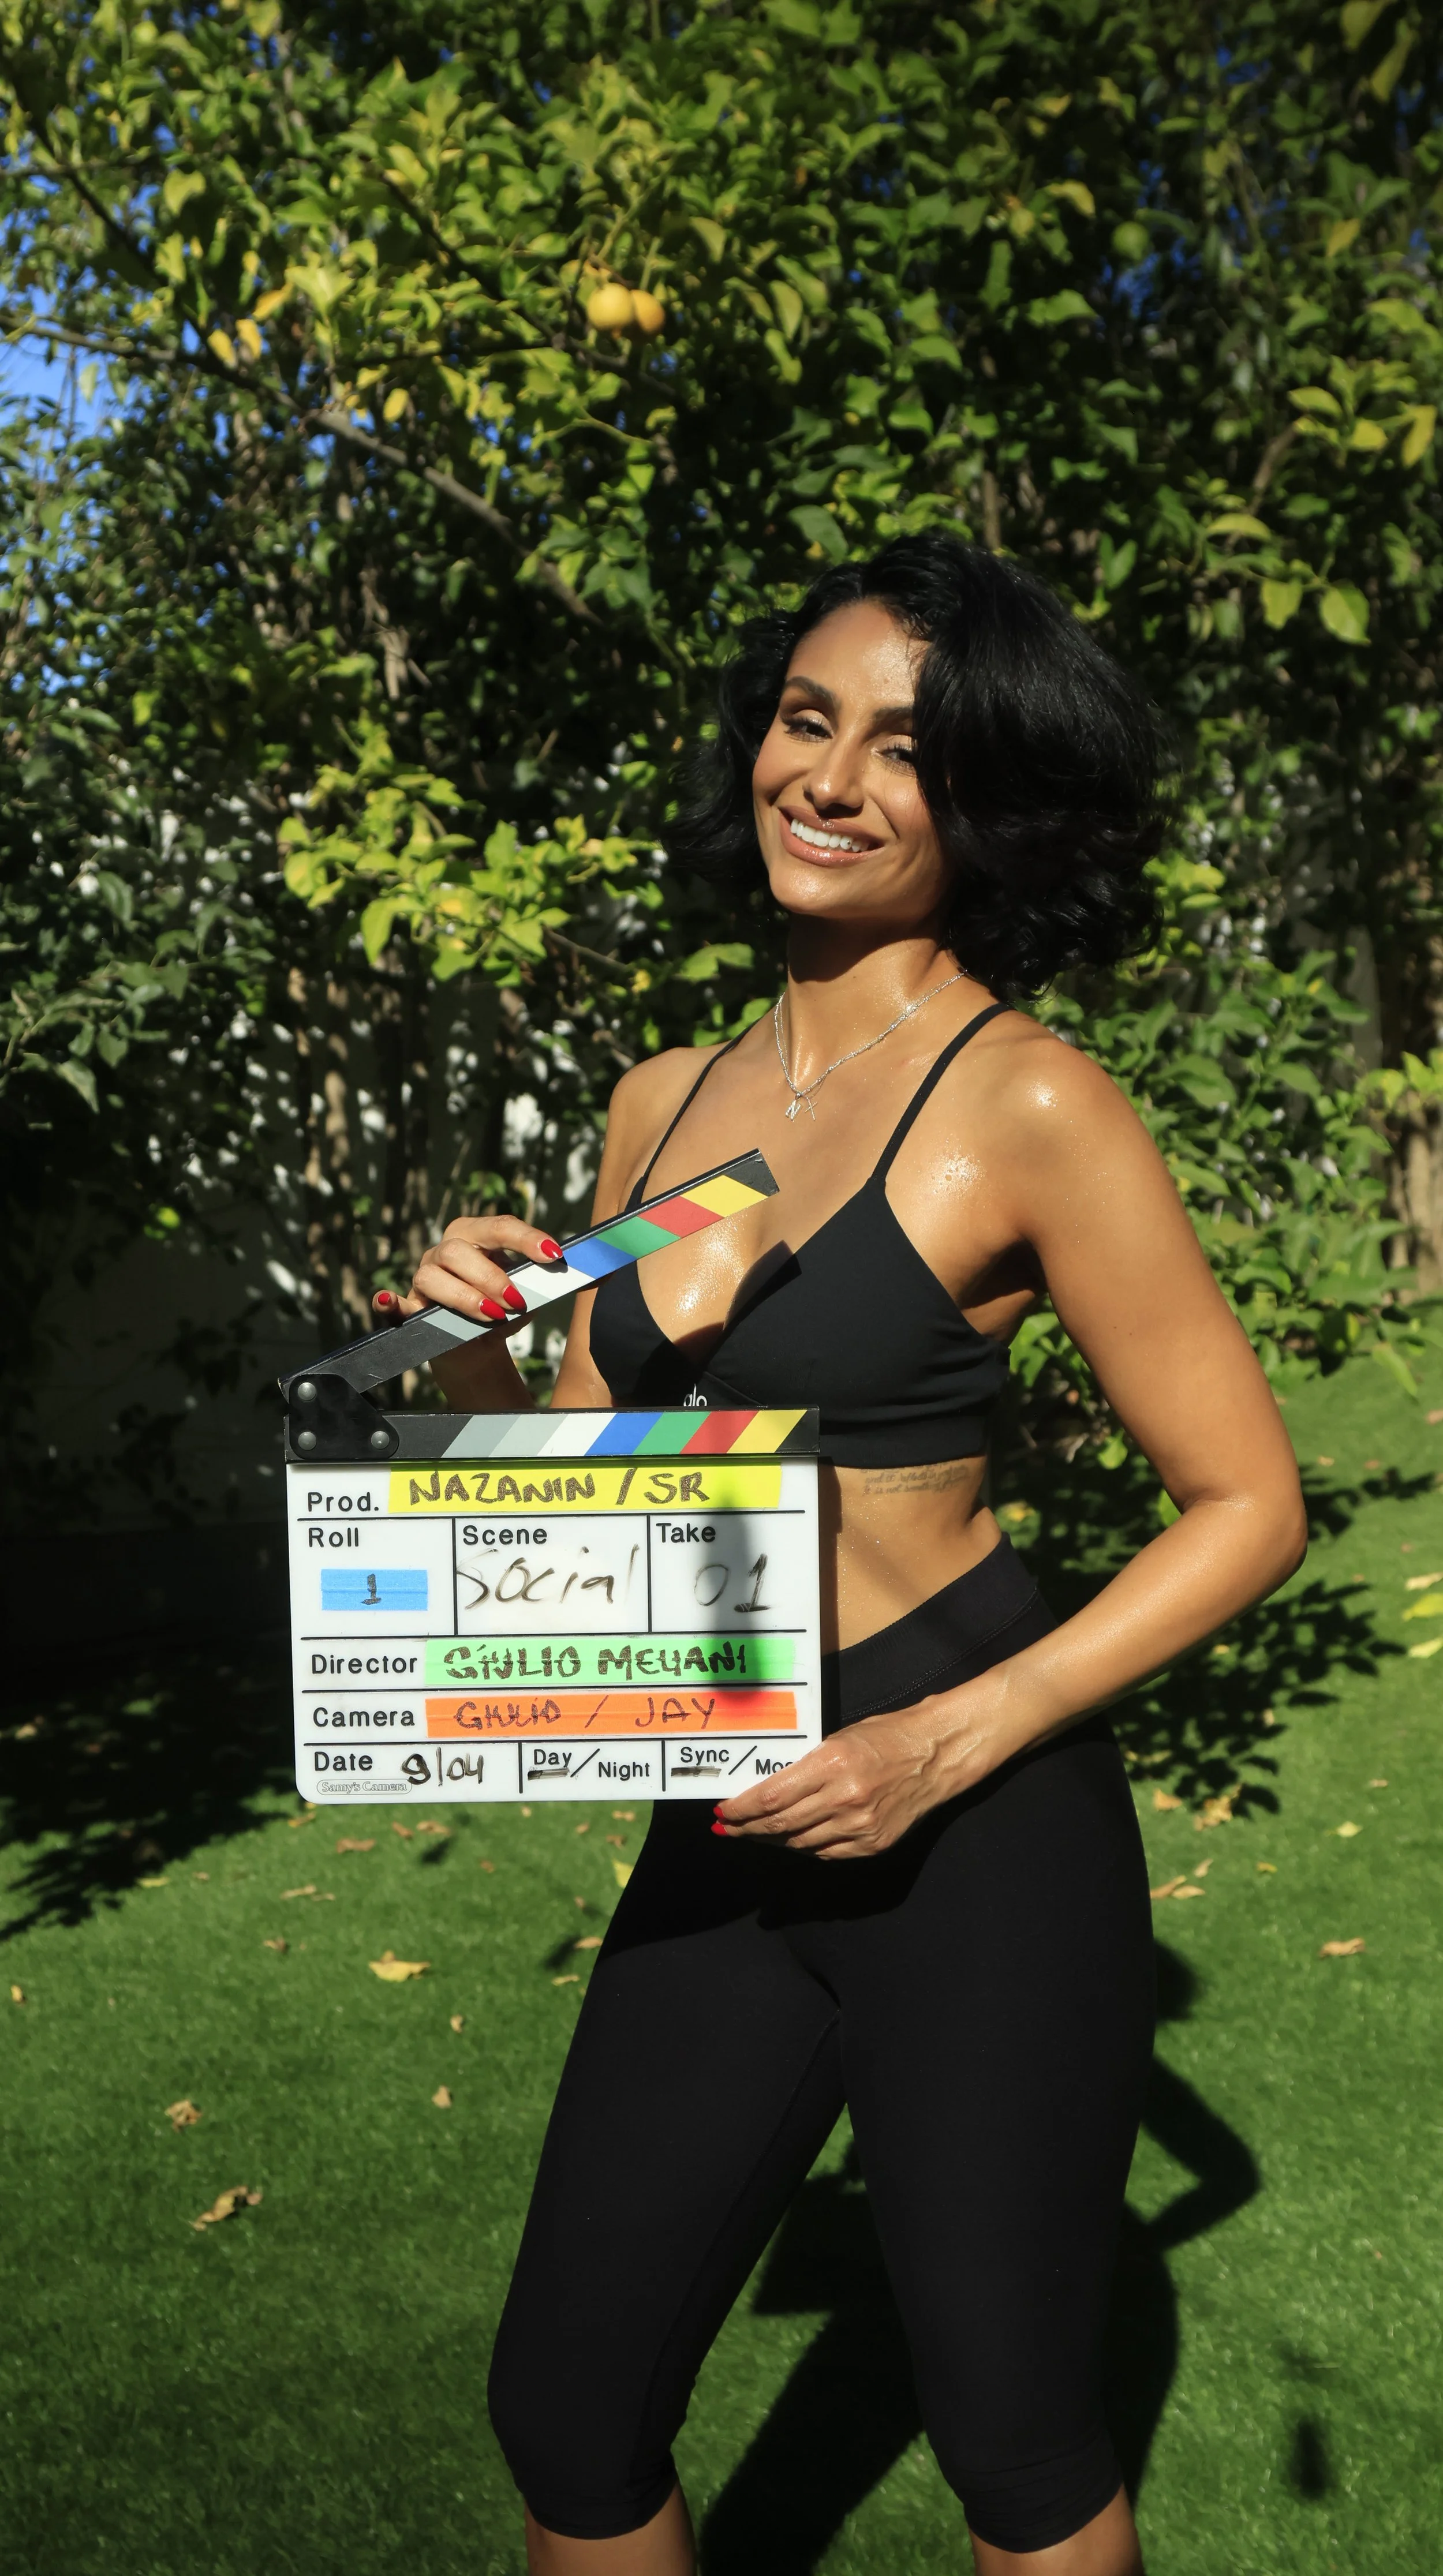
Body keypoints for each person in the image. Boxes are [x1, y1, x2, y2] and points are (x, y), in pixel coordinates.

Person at [381, 534, 1307, 2575]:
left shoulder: (1033, 1104)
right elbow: (591, 1478)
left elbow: (1251, 1503)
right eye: (808, 720)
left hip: (972, 1822)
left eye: (906, 748)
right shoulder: (659, 1102)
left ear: (983, 804)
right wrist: (520, 1328)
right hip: (725, 1801)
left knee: (1014, 2446)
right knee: (565, 2401)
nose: (833, 777)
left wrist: (950, 1742)